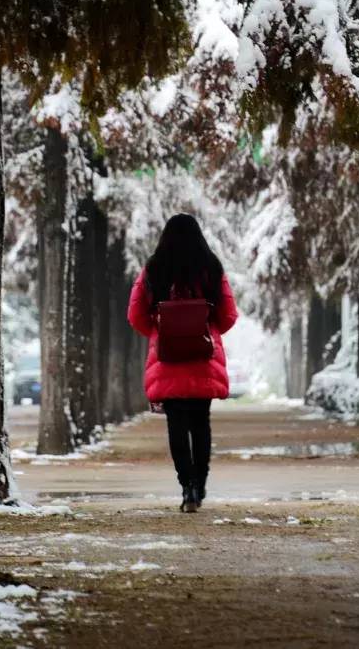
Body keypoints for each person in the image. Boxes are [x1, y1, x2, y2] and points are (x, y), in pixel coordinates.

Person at [127, 213, 238, 512]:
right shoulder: (211, 268)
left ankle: (186, 486)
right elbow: (228, 315)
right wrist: (206, 329)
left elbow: (135, 314)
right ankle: (200, 486)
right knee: (201, 423)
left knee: (176, 424)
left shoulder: (154, 268)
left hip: (168, 357)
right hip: (203, 357)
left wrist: (159, 331)